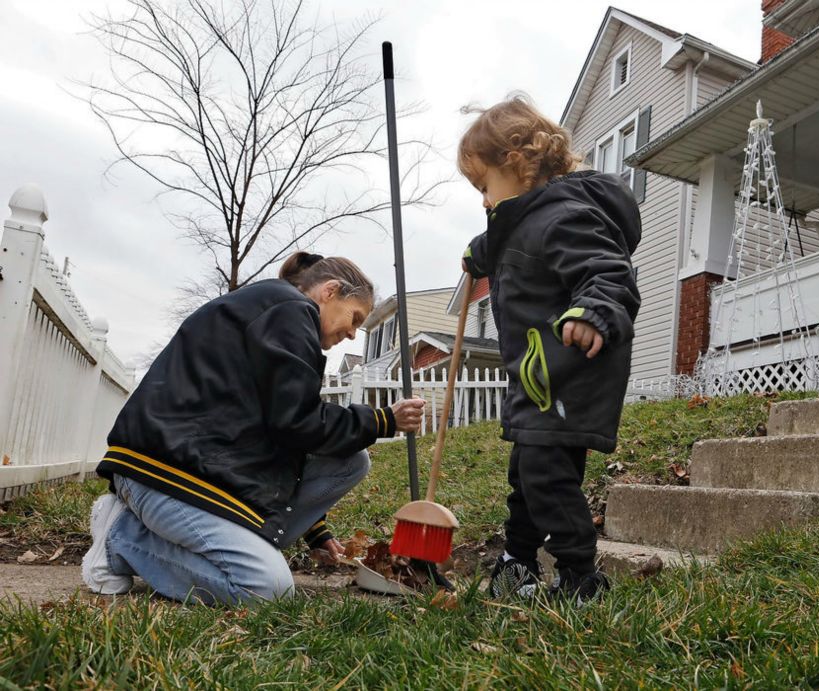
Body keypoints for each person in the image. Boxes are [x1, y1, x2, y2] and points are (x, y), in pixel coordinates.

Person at [81, 252, 425, 604]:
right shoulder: (291, 311)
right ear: (330, 291)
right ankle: (121, 540)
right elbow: (297, 421)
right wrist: (383, 420)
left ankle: (238, 548)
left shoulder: (277, 311)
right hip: (163, 474)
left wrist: (314, 529)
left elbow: (277, 431)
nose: (353, 334)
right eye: (355, 317)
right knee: (267, 590)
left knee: (353, 460)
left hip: (198, 465)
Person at [458, 95, 641, 603]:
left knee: (547, 476)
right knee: (527, 474)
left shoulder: (566, 215)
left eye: (483, 185)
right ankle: (518, 562)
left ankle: (581, 576)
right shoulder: (526, 221)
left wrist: (593, 312)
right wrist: (482, 249)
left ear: (516, 163)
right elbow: (511, 237)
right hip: (538, 379)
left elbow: (608, 272)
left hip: (567, 375)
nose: (483, 200)